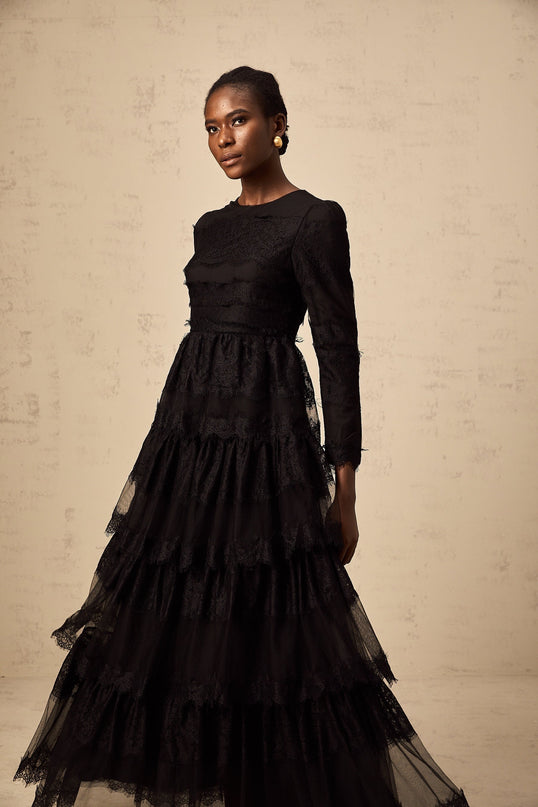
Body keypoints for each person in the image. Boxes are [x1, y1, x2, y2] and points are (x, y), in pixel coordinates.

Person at [14, 65, 470, 807]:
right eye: (211, 127)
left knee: (269, 614)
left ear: (278, 122)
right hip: (189, 441)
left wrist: (345, 481)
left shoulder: (315, 218)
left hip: (268, 443)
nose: (223, 139)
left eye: (239, 121)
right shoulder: (211, 226)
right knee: (175, 608)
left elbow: (336, 347)